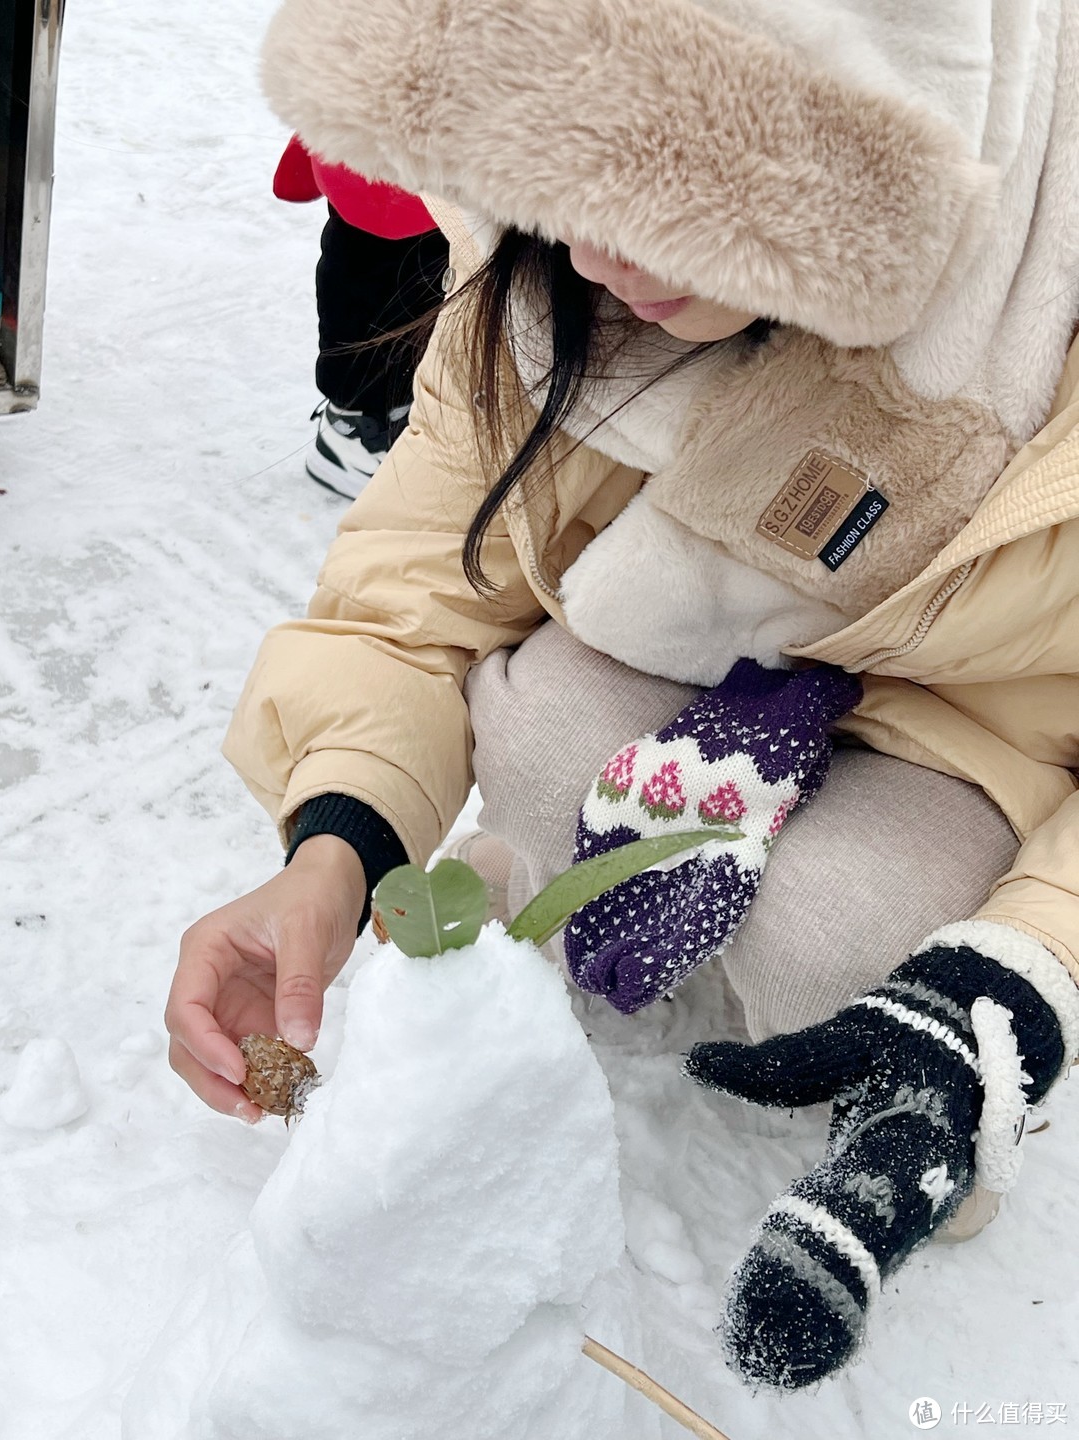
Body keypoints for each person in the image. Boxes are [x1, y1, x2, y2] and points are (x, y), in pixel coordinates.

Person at [168, 0, 1079, 1392]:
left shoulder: (1043, 303)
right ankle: (545, 983)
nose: (595, 254)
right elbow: (417, 577)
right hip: (692, 628)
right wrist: (339, 842)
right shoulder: (553, 277)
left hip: (967, 712)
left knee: (840, 937)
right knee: (541, 740)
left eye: (670, 192)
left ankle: (911, 1072)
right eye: (564, 181)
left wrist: (1011, 978)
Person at [273, 135, 450, 498]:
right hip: (408, 176)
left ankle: (379, 418)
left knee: (417, 280)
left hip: (414, 167)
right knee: (387, 282)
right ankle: (357, 434)